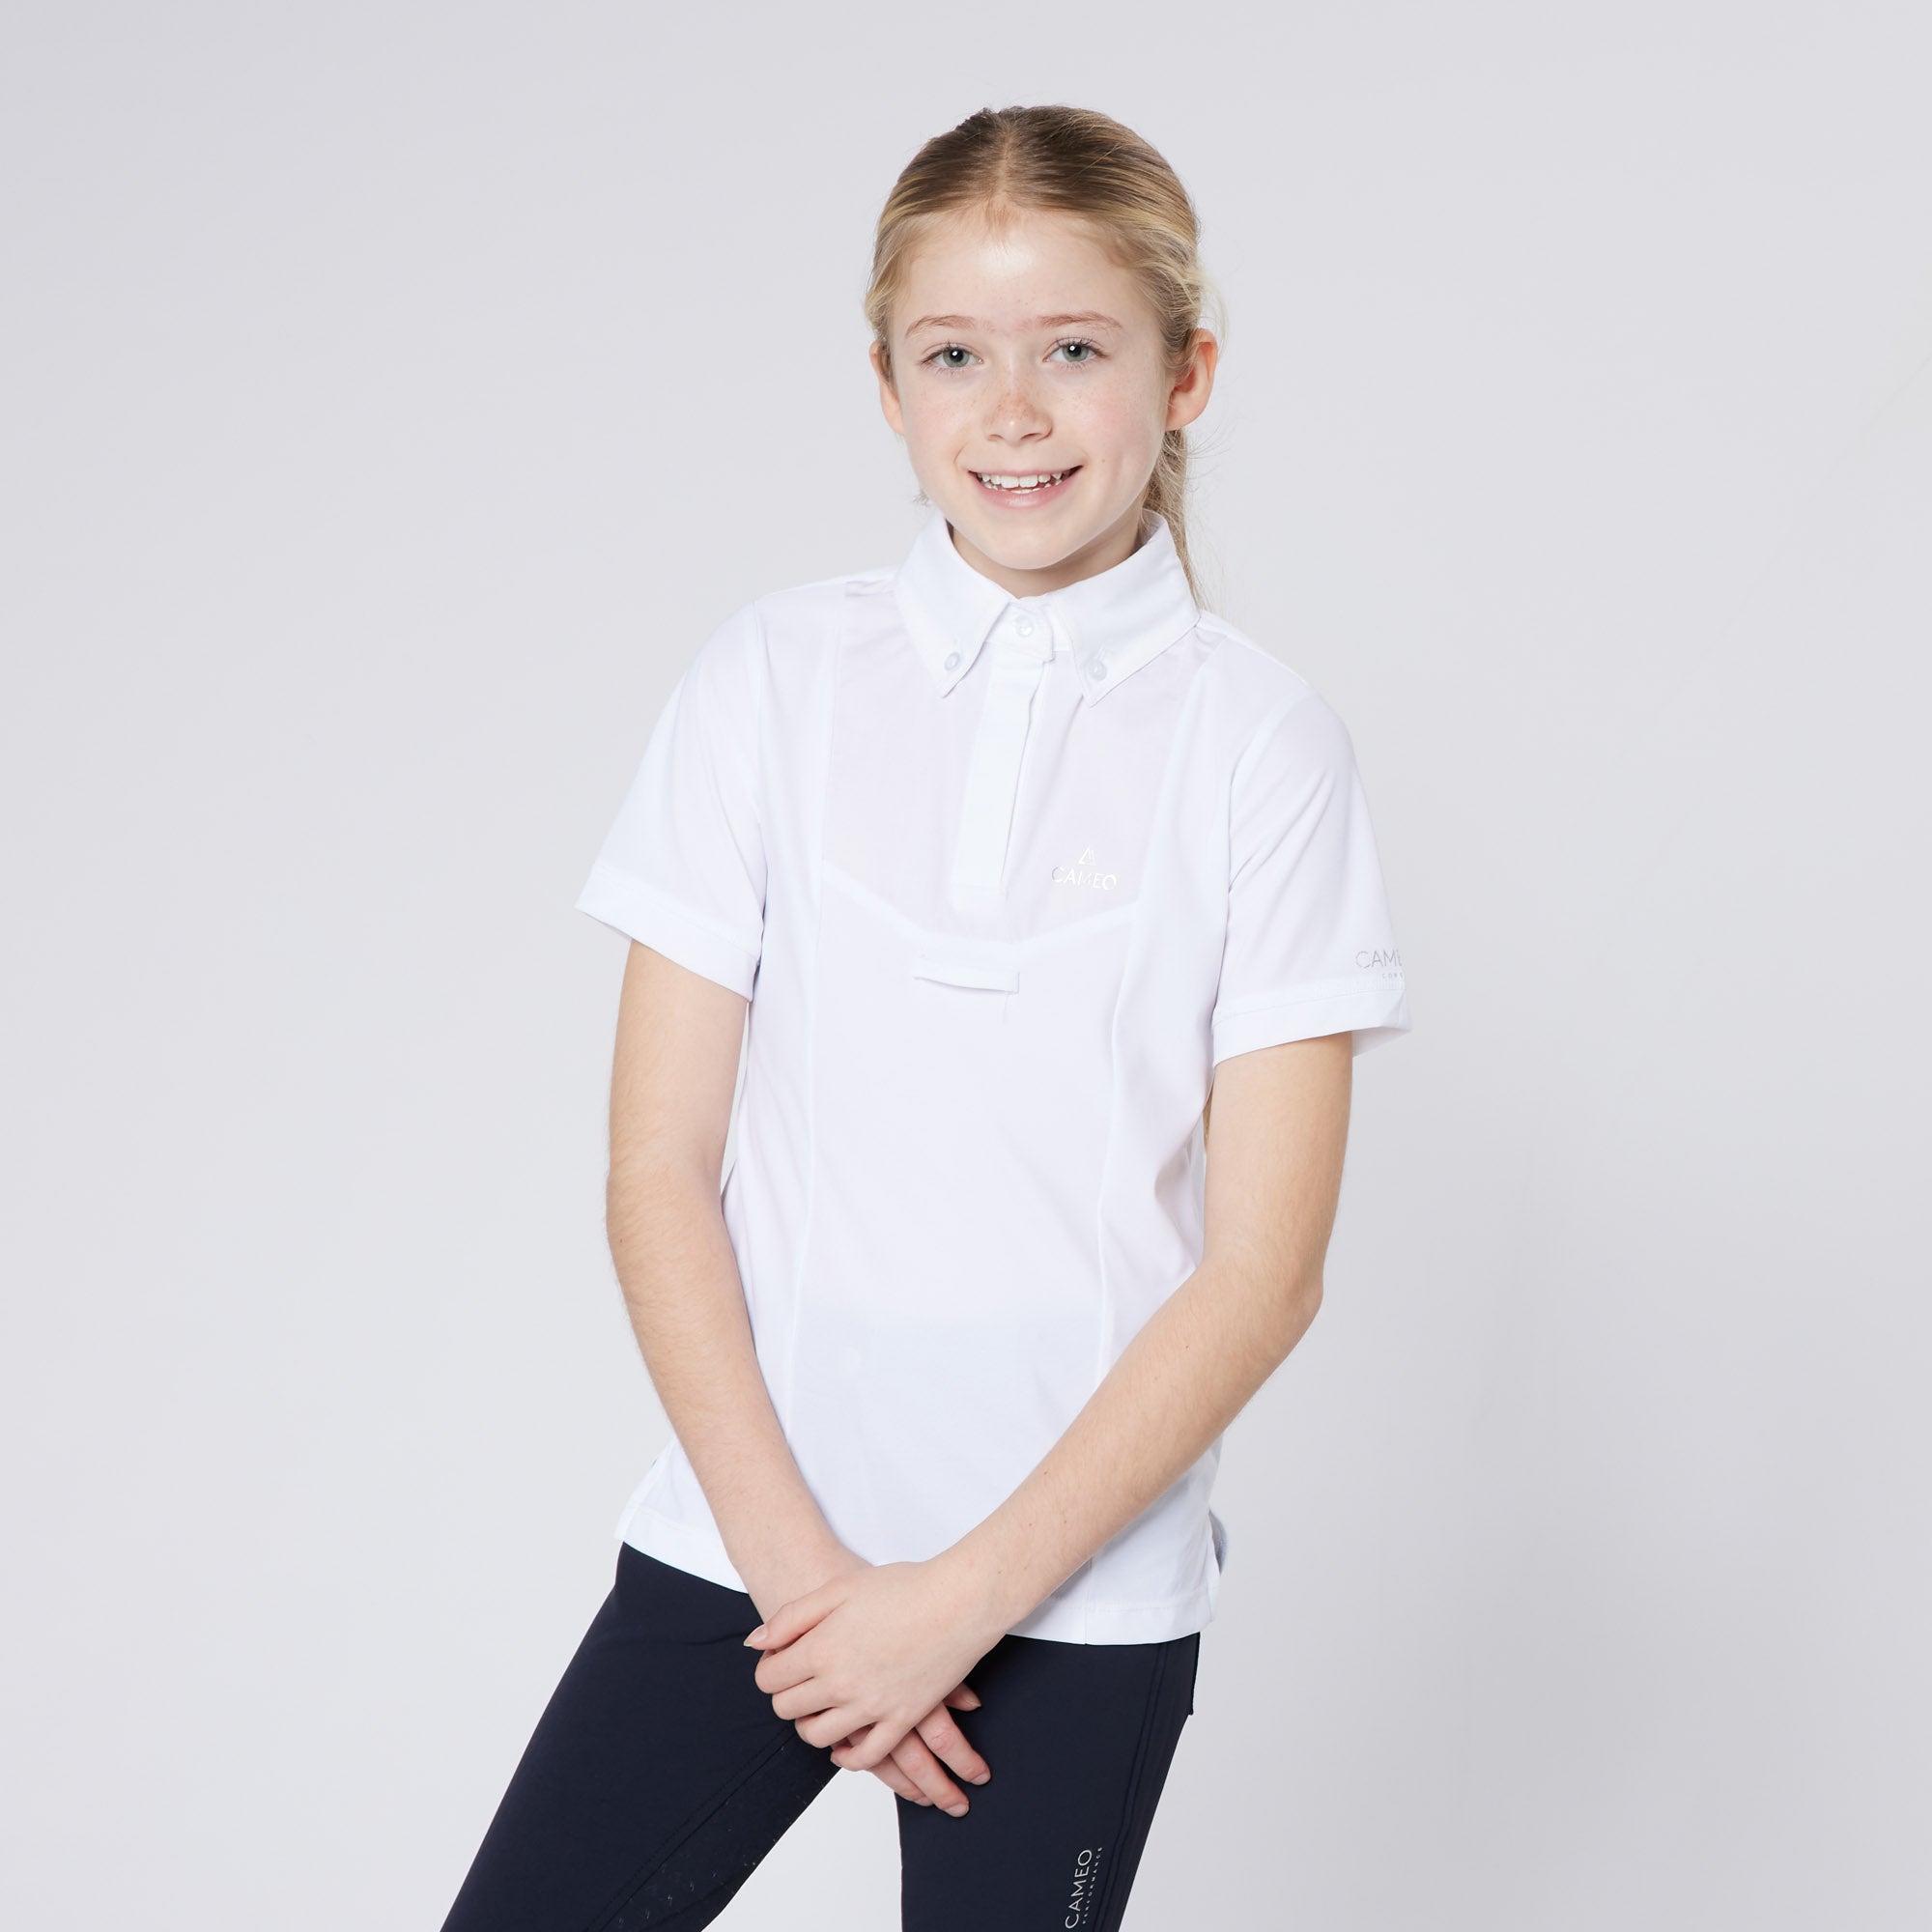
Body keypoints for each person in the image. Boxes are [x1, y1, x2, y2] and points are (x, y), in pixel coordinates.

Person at [440, 101, 1410, 1932]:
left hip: (1074, 1596)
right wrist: (811, 1593)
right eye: (955, 355)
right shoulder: (773, 680)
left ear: (1187, 373)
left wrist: (956, 1606)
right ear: (887, 389)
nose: (1013, 409)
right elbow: (657, 1167)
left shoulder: (1261, 746)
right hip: (750, 1546)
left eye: (1076, 350)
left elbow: (1264, 1270)